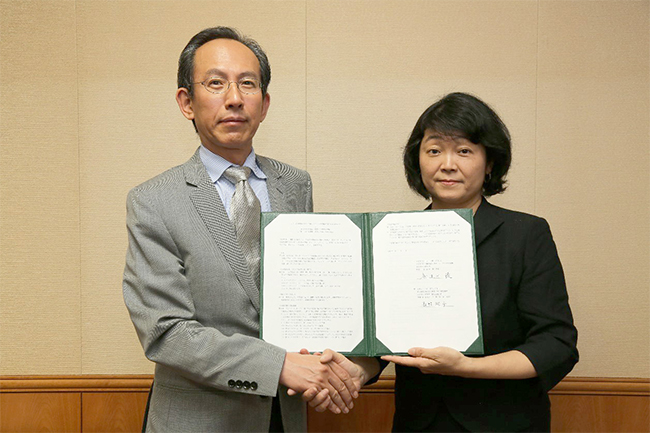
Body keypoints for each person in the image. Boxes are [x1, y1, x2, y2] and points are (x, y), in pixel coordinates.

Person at [122, 27, 359, 432]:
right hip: (199, 421)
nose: (234, 98)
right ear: (187, 102)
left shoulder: (296, 185)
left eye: (247, 84)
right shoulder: (154, 200)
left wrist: (338, 365)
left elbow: (305, 299)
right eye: (216, 83)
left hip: (284, 416)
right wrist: (279, 365)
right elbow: (166, 332)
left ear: (264, 104)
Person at [377, 92, 579, 432]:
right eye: (434, 150)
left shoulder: (526, 234)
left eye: (465, 151)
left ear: (490, 163)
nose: (448, 164)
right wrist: (351, 370)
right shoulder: (395, 235)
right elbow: (379, 333)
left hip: (505, 421)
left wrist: (466, 367)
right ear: (418, 160)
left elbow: (555, 343)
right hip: (419, 422)